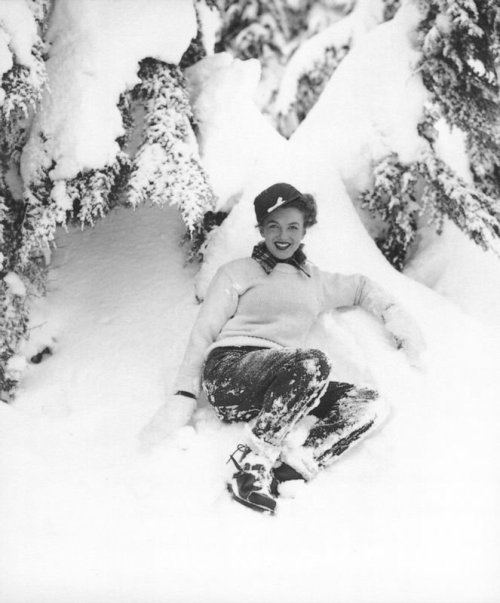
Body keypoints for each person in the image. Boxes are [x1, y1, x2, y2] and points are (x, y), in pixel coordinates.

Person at [141, 182, 424, 515]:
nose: (283, 235)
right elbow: (203, 333)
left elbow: (362, 287)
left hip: (285, 385)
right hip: (231, 371)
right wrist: (184, 395)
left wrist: (399, 321)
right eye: (273, 226)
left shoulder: (315, 281)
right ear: (260, 229)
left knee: (369, 404)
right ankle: (251, 462)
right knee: (311, 364)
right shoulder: (236, 273)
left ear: (306, 230)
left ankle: (291, 469)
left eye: (293, 226)